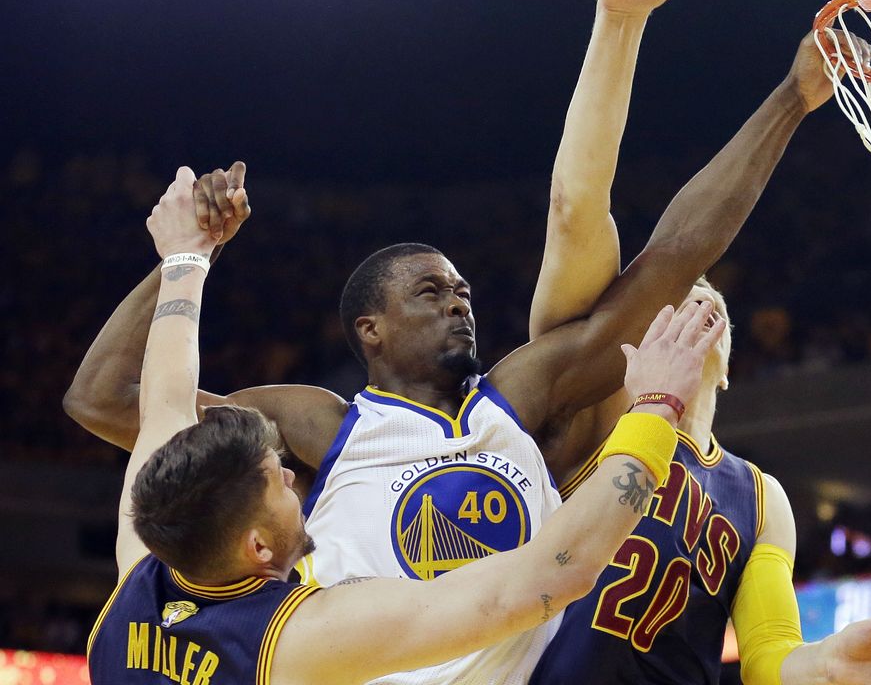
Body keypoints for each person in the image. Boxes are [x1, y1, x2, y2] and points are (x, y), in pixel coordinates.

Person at [65, 0, 871, 684]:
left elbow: (670, 260)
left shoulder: (523, 395)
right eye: (429, 291)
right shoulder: (317, 424)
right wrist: (175, 259)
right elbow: (109, 401)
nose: (460, 301)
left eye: (463, 289)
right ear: (369, 329)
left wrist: (791, 101)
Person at [89, 166, 725, 685]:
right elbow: (549, 576)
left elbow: (167, 402)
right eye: (280, 486)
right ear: (258, 552)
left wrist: (186, 258)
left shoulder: (135, 589)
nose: (290, 474)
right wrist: (655, 411)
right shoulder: (293, 639)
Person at [523, 20, 871, 685]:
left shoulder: (759, 496)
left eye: (705, 295)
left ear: (728, 341)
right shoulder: (583, 412)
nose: (691, 297)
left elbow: (771, 657)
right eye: (668, 299)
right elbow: (577, 208)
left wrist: (830, 664)